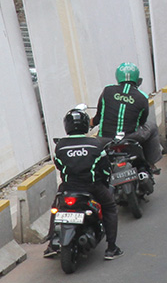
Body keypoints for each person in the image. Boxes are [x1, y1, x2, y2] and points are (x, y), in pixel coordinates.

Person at [45, 107, 121, 261]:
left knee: (56, 208)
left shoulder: (60, 146)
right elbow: (105, 170)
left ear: (67, 126)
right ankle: (111, 248)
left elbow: (59, 165)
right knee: (110, 207)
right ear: (86, 124)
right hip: (92, 187)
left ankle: (51, 245)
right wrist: (105, 183)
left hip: (68, 188)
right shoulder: (95, 145)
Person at [92, 62, 160, 174]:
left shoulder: (107, 91)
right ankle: (151, 163)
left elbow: (99, 117)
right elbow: (142, 121)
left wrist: (92, 123)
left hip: (105, 138)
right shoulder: (142, 97)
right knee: (151, 126)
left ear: (118, 76)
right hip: (131, 137)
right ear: (137, 78)